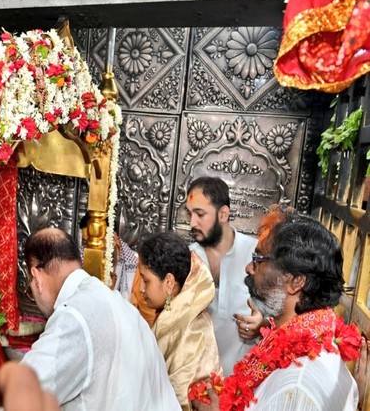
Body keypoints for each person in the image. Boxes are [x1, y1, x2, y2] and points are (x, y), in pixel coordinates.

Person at [190, 211, 362, 411]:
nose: (248, 268)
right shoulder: (313, 343)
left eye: (259, 259)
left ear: (296, 281)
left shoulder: (297, 385)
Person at [20, 227, 181, 410]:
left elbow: (21, 394)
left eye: (31, 289)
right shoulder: (127, 309)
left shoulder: (73, 316)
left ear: (37, 277)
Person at [137, 231, 222, 411]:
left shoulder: (193, 329)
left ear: (168, 282)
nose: (140, 289)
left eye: (145, 280)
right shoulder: (173, 315)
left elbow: (180, 399)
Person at [186, 176, 262, 374]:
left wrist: (261, 323)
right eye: (190, 214)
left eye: (200, 214)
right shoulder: (187, 257)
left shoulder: (256, 256)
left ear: (223, 214)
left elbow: (280, 312)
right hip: (196, 380)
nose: (192, 223)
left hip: (244, 383)